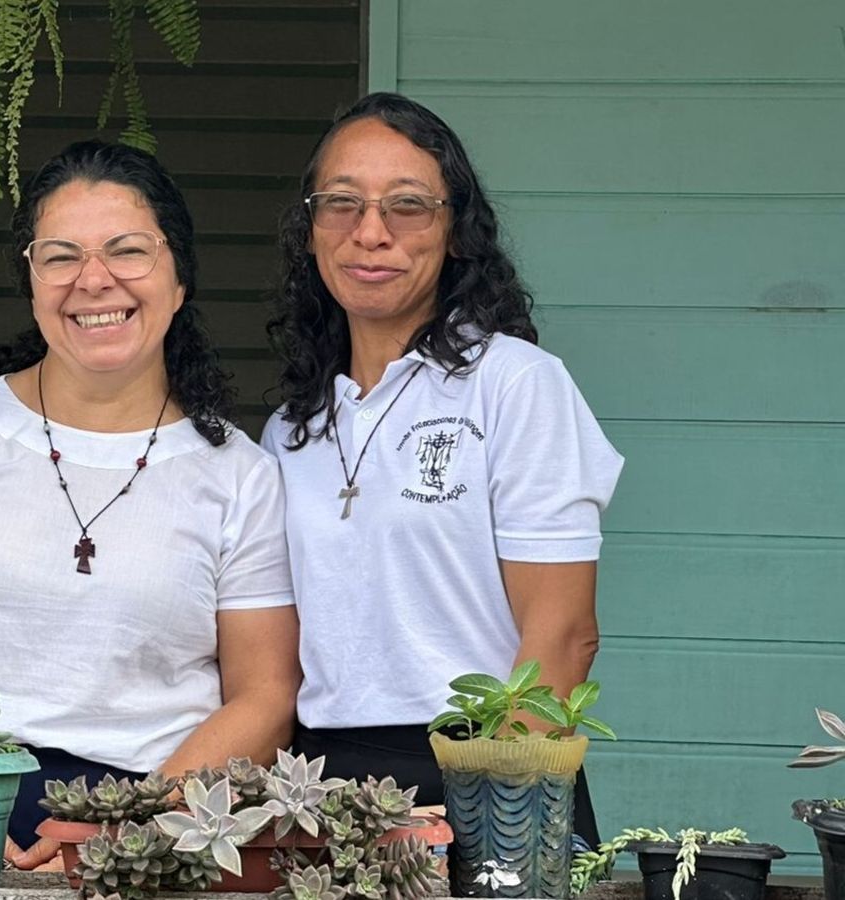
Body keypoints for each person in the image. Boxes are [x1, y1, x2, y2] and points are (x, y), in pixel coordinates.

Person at [0, 141, 301, 869]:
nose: (94, 281)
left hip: (164, 821)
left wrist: (137, 829)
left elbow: (264, 693)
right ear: (31, 280)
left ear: (179, 276)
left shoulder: (240, 476)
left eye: (128, 251)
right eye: (60, 256)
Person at [262, 93, 623, 847]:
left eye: (408, 206)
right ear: (310, 228)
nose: (371, 232)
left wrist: (496, 818)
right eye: (341, 204)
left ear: (456, 231)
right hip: (324, 786)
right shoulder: (290, 430)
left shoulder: (515, 384)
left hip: (491, 765)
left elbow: (564, 637)